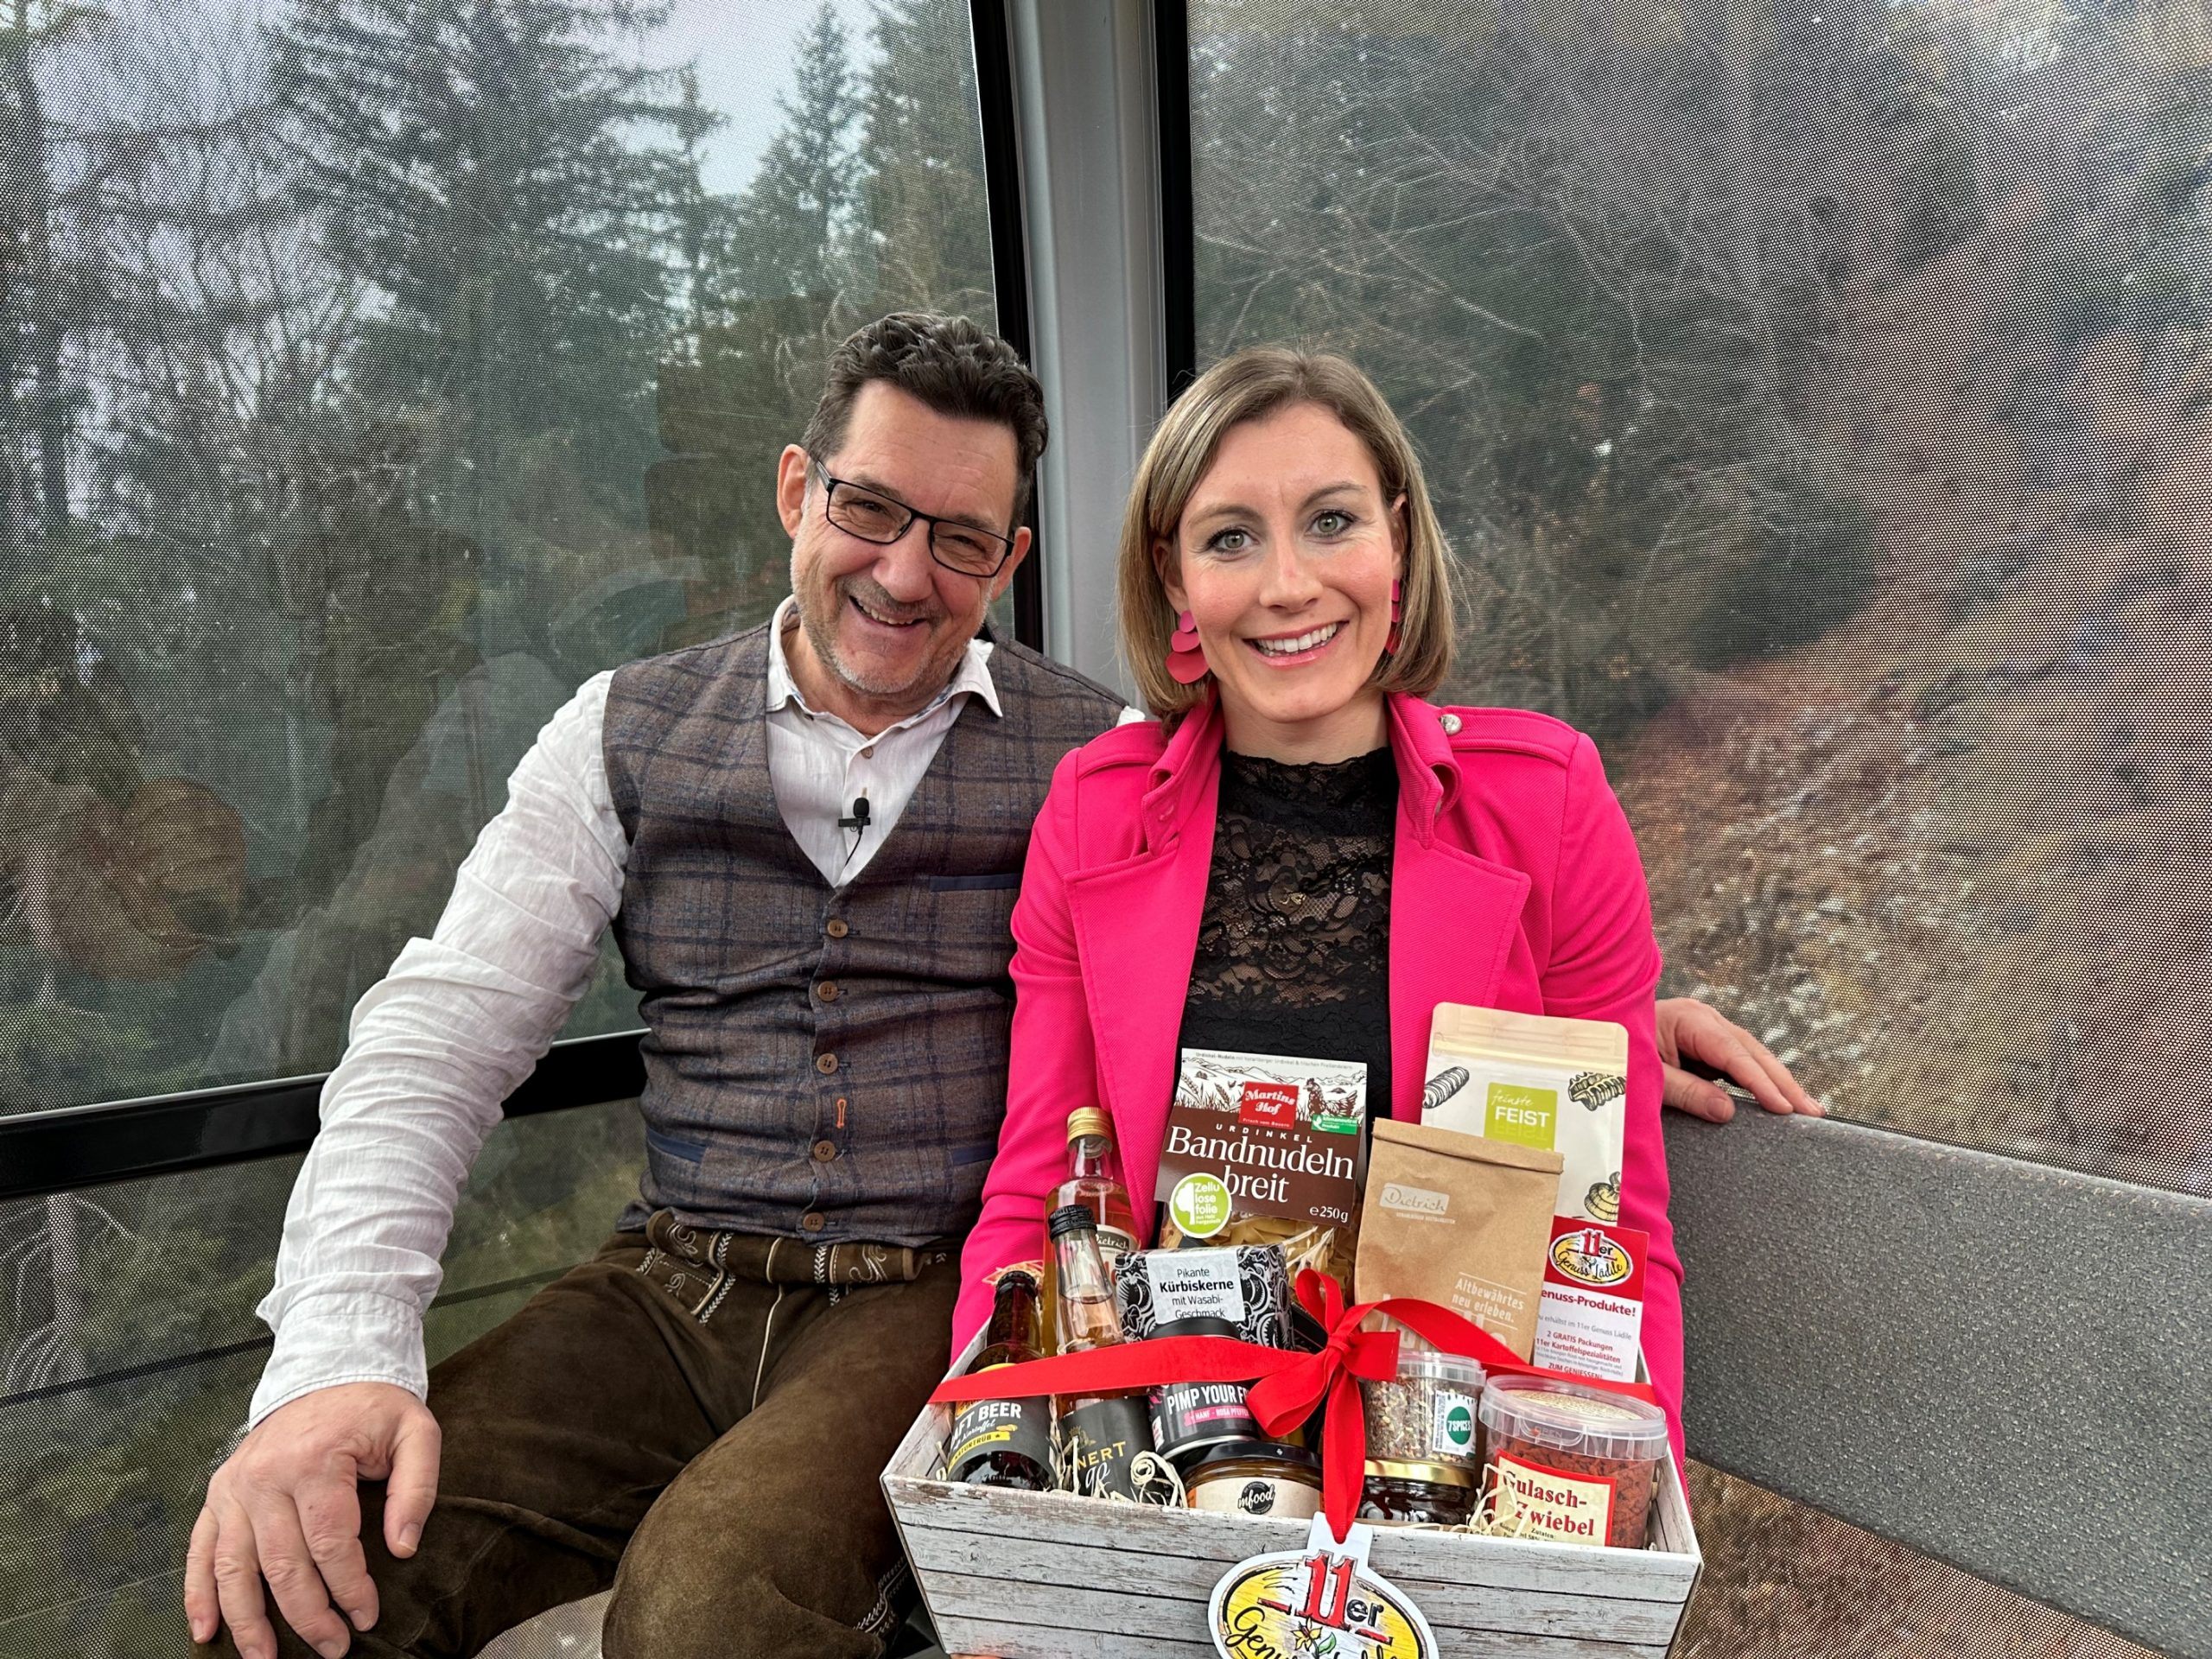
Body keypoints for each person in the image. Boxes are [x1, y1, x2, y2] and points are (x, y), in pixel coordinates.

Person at [188, 315, 1813, 1659]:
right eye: (871, 510)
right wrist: (335, 1354)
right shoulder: (640, 734)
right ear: (794, 494)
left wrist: (1611, 1016)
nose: (905, 573)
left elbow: (1414, 931)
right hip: (679, 1278)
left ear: (1012, 555)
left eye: (960, 538)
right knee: (288, 1590)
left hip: (977, 1307)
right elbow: (436, 1036)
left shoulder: (1086, 756)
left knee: (703, 1618)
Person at [956, 346, 1697, 1450]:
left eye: (1332, 520)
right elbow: (1034, 1194)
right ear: (1175, 579)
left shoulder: (1549, 806)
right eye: (1230, 538)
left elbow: (1614, 1227)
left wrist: (1613, 1504)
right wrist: (986, 1472)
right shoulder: (1092, 816)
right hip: (1172, 1434)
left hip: (1445, 1454)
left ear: (1398, 536)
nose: (1288, 585)